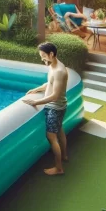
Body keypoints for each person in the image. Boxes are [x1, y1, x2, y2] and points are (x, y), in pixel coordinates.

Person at [22, 42, 69, 176]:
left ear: (51, 54)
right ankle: (64, 156)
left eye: (43, 56)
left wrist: (36, 102)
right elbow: (49, 83)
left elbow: (55, 95)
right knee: (60, 130)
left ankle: (59, 168)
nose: (42, 59)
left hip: (55, 107)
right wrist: (36, 89)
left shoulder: (59, 70)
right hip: (59, 106)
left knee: (51, 137)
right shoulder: (53, 66)